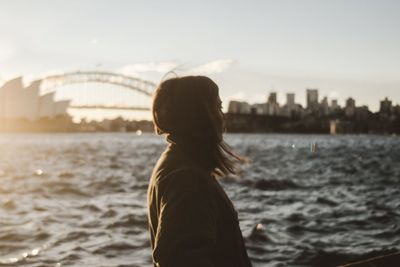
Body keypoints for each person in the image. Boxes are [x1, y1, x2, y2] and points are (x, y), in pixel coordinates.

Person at [147, 75, 253, 267]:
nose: (223, 117)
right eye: (218, 107)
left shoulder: (175, 163)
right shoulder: (188, 180)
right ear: (200, 115)